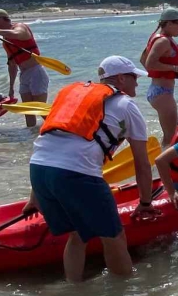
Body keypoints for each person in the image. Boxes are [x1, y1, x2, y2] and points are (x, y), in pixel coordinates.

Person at [22, 56, 157, 281]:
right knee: (114, 237)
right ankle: (124, 292)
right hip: (76, 175)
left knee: (77, 235)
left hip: (39, 171)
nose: (137, 82)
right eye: (134, 77)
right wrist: (145, 203)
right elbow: (142, 163)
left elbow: (52, 145)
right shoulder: (126, 105)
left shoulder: (74, 97)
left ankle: (73, 287)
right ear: (121, 78)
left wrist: (34, 197)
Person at [0, 8, 49, 128]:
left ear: (1, 19)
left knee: (40, 108)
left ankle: (61, 129)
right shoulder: (5, 41)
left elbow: (17, 34)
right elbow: (12, 65)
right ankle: (31, 135)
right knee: (28, 110)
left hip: (36, 72)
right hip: (24, 74)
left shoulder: (20, 27)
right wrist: (11, 87)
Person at [140, 8, 178, 142]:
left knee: (170, 134)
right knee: (172, 136)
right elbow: (150, 63)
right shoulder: (163, 41)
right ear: (169, 23)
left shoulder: (157, 38)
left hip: (158, 90)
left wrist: (157, 75)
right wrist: (174, 68)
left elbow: (142, 59)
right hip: (162, 92)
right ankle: (164, 155)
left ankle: (163, 153)